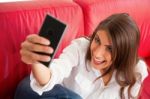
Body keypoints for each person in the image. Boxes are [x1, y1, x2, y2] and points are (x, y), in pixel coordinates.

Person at [15, 13, 148, 99]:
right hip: (37, 91)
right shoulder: (80, 48)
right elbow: (54, 73)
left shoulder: (137, 71)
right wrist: (37, 61)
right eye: (97, 40)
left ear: (125, 52)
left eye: (110, 49)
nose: (97, 53)